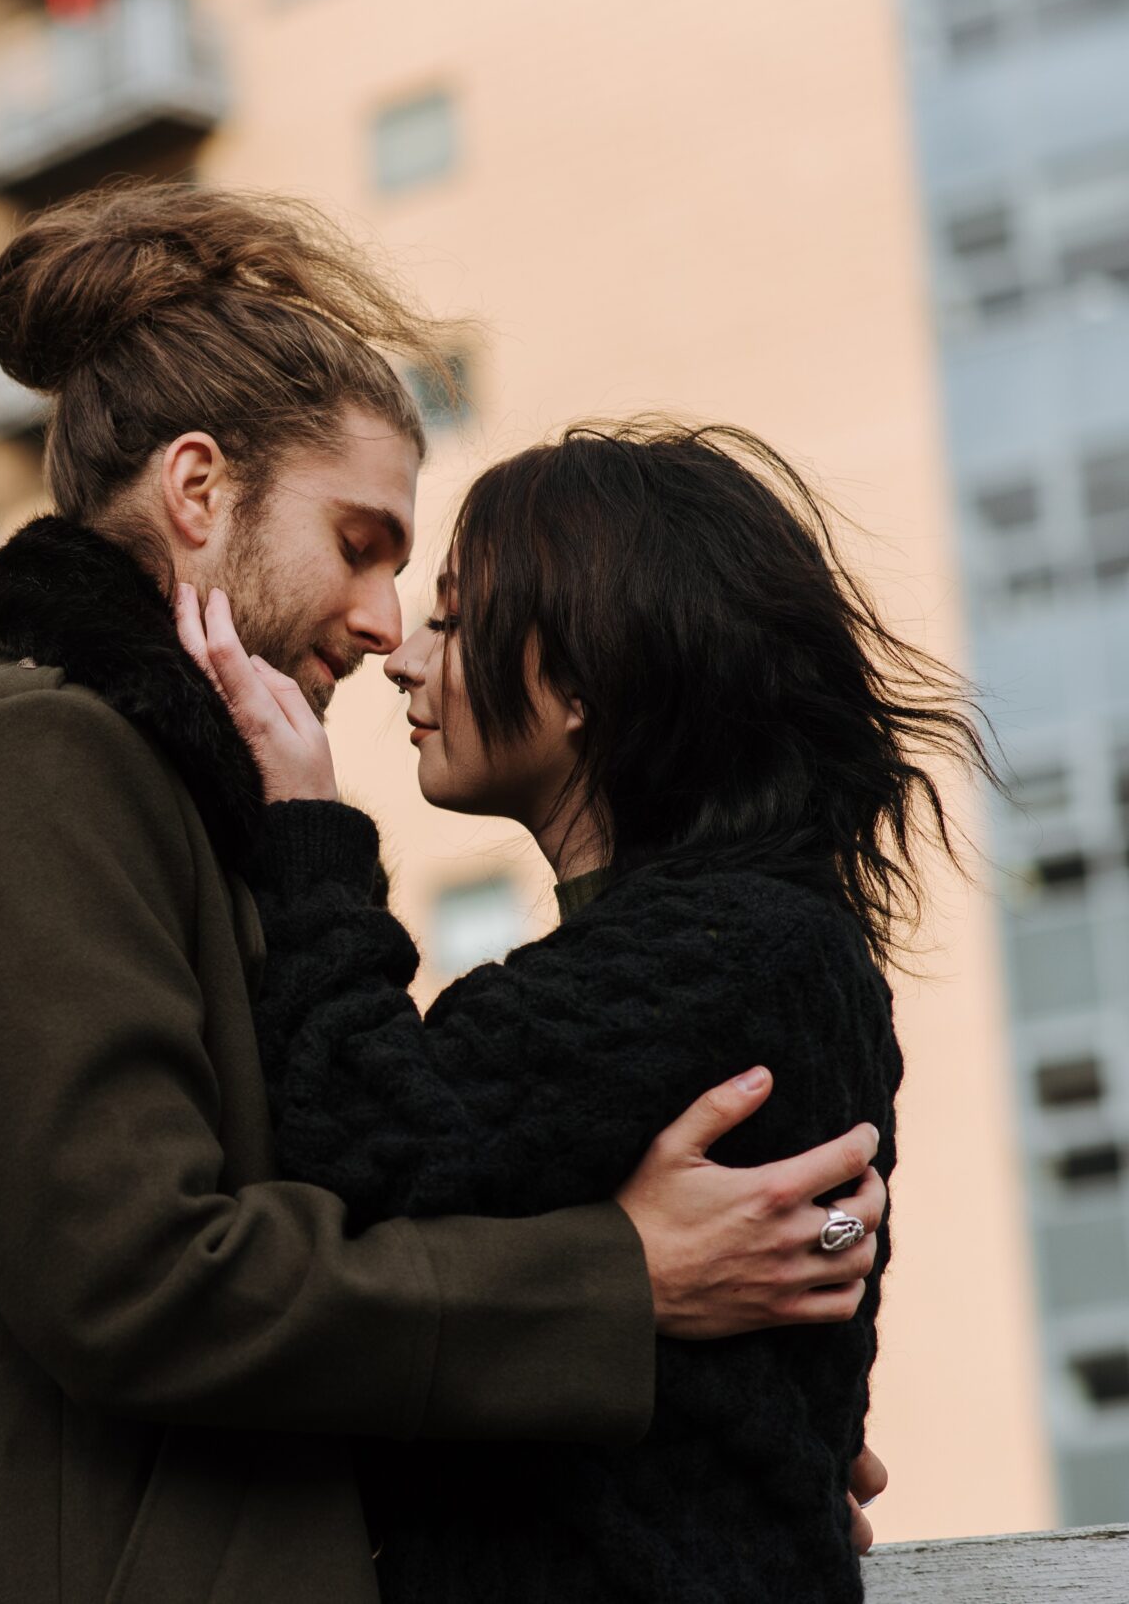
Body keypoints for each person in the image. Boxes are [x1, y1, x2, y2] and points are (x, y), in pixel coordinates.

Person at [0, 184, 889, 1604]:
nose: (388, 622)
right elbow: (147, 1283)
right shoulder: (31, 770)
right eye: (363, 543)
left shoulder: (187, 806)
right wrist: (618, 1287)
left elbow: (360, 1229)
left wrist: (708, 1431)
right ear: (198, 493)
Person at [180, 420, 980, 1601]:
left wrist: (305, 831)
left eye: (451, 619)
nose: (402, 657)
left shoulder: (726, 951)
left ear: (582, 684)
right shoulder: (732, 940)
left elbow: (357, 1145)